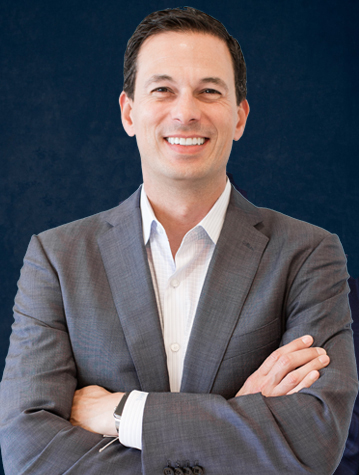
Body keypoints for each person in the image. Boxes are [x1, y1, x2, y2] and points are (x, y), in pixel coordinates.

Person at [0, 7, 357, 475]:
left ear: (239, 117)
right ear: (129, 112)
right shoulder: (57, 258)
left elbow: (315, 440)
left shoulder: (309, 255)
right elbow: (30, 453)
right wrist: (236, 418)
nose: (186, 111)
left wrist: (122, 414)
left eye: (209, 91)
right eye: (162, 90)